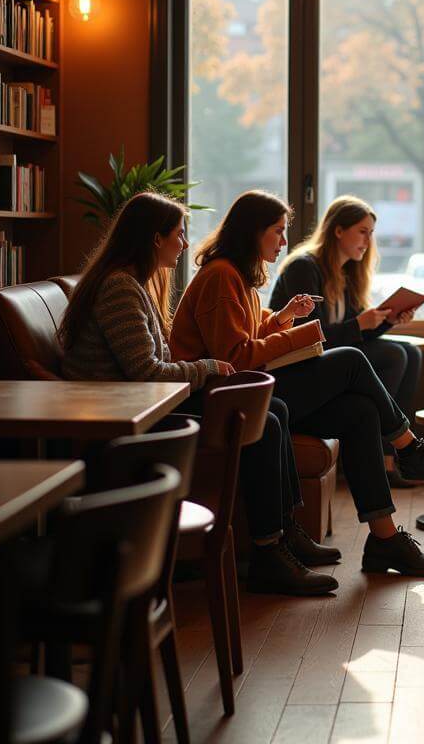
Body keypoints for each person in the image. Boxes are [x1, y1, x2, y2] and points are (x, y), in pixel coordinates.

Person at [170, 190, 424, 577]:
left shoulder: (237, 275)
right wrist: (301, 335)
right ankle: (409, 447)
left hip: (251, 389)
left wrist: (281, 320)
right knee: (351, 360)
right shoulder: (221, 275)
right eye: (277, 232)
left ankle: (384, 539)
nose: (282, 241)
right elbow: (236, 356)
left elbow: (245, 334)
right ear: (253, 231)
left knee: (360, 412)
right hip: (231, 397)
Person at [59, 192, 339, 597]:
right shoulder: (121, 288)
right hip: (132, 413)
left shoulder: (133, 282)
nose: (186, 243)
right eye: (179, 234)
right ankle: (268, 550)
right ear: (155, 238)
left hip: (148, 403)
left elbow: (156, 362)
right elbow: (146, 372)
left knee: (271, 410)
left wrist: (205, 367)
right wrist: (208, 367)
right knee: (263, 414)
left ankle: (280, 536)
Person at [270, 195, 422, 415]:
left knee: (412, 353)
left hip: (331, 352)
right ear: (338, 231)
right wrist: (359, 323)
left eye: (371, 234)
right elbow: (309, 336)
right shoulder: (303, 267)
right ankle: (386, 436)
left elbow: (355, 333)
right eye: (362, 232)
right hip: (300, 361)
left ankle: (392, 443)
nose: (368, 241)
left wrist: (388, 321)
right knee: (394, 354)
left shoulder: (346, 273)